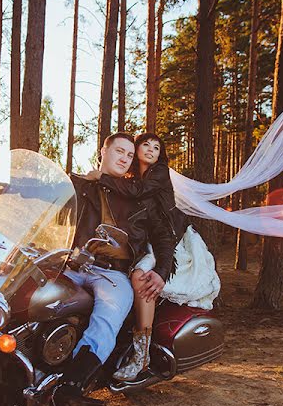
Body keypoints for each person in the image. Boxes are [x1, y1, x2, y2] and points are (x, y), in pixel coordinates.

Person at [52, 132, 176, 406]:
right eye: (119, 151)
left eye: (129, 155)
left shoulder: (140, 197)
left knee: (108, 315)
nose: (124, 158)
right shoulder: (76, 184)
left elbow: (164, 237)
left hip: (111, 274)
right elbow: (40, 194)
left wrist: (160, 271)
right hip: (67, 266)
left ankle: (71, 388)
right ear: (103, 153)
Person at [87, 132, 220, 381]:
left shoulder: (156, 174)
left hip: (171, 236)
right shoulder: (132, 179)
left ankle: (142, 355)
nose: (150, 150)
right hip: (148, 239)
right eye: (145, 145)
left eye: (156, 147)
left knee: (140, 277)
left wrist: (102, 177)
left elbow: (139, 193)